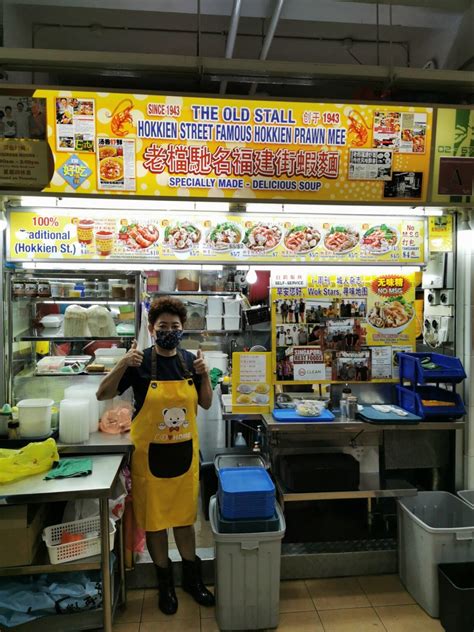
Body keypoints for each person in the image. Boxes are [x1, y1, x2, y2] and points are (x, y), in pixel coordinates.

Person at [97, 297, 214, 616]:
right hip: (149, 460)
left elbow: (205, 404)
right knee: (155, 524)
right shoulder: (139, 363)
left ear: (182, 329)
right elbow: (102, 393)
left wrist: (205, 376)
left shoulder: (191, 361)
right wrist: (122, 362)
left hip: (185, 458)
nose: (169, 331)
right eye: (162, 326)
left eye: (175, 327)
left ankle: (192, 580)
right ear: (152, 329)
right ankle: (165, 585)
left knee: (185, 522)